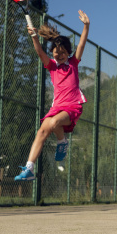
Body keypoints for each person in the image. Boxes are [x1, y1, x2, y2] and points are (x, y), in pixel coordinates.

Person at [15, 10, 90, 181]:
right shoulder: (52, 66)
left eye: (63, 52)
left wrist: (86, 25)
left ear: (68, 53)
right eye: (56, 52)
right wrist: (34, 37)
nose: (59, 54)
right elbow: (40, 52)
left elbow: (82, 45)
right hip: (57, 107)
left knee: (55, 122)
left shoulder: (73, 63)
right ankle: (29, 168)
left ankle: (62, 141)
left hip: (72, 107)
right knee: (42, 131)